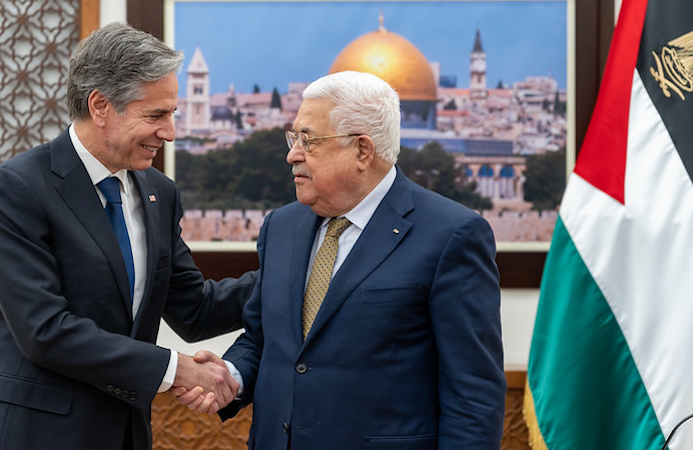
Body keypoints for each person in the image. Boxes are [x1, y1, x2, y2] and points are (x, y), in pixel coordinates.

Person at [0, 22, 254, 450]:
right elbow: (46, 331)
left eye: (172, 114)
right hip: (29, 433)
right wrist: (177, 369)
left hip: (121, 433)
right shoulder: (17, 188)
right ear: (100, 106)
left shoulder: (159, 192)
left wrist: (297, 270)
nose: (169, 132)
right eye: (156, 115)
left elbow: (195, 309)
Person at [175, 70, 506, 448]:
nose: (292, 154)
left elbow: (473, 394)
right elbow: (264, 339)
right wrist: (231, 376)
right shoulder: (281, 227)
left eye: (309, 140)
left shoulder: (452, 235)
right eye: (293, 137)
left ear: (362, 150)